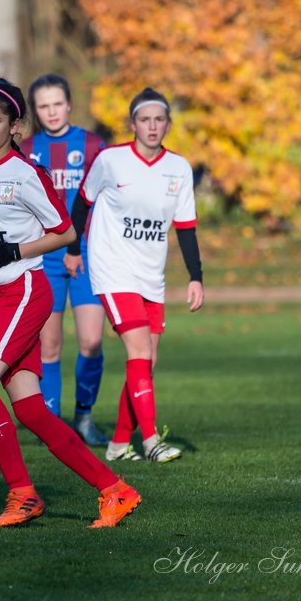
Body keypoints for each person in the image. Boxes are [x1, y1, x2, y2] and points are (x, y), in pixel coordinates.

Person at [0, 77, 141, 529]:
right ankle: (116, 490)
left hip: (25, 291)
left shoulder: (27, 172)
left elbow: (66, 232)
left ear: (15, 126)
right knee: (31, 410)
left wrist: (13, 252)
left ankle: (23, 494)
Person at [77, 87, 204, 463]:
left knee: (146, 362)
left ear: (167, 123)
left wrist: (195, 277)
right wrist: (71, 251)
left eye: (159, 119)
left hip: (152, 275)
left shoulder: (178, 168)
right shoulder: (110, 160)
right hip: (112, 267)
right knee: (139, 350)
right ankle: (150, 440)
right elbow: (82, 204)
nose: (152, 126)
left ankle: (118, 444)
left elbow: (186, 227)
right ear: (132, 123)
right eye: (144, 119)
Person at [19, 74, 109, 445]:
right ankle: (52, 423)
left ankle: (84, 418)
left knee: (90, 341)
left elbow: (107, 200)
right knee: (50, 344)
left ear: (69, 104)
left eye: (57, 103)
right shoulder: (25, 149)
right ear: (35, 111)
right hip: (46, 255)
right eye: (44, 106)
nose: (52, 111)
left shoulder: (92, 146)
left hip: (87, 254)